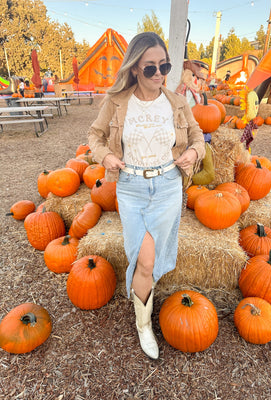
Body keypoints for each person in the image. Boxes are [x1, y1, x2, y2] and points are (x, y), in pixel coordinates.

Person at [87, 32, 206, 360]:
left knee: (148, 260)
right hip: (132, 189)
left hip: (167, 186)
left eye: (164, 66)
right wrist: (104, 157)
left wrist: (194, 153)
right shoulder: (117, 101)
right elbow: (94, 137)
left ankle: (143, 319)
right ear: (135, 69)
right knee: (144, 259)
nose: (159, 74)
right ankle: (144, 324)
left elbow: (198, 136)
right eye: (150, 68)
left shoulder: (177, 102)